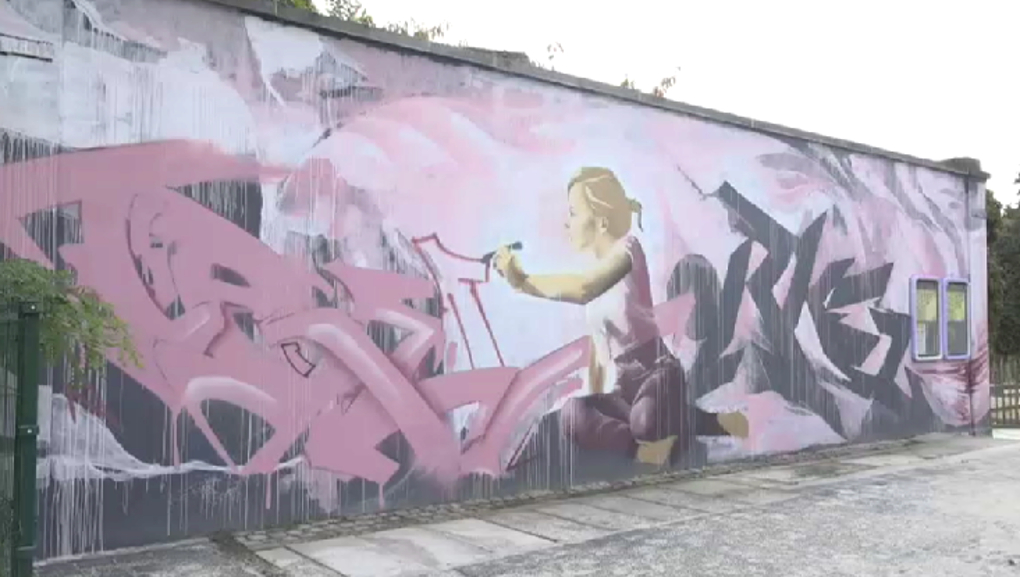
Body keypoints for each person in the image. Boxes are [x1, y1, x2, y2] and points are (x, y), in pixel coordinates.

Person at [493, 167, 748, 465]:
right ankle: (645, 452)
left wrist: (523, 282)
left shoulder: (628, 249)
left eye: (574, 213)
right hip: (624, 388)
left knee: (645, 422)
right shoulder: (595, 282)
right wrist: (595, 405)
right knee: (573, 414)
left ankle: (709, 422)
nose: (567, 222)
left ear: (601, 222)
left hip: (657, 374)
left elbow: (585, 288)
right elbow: (600, 356)